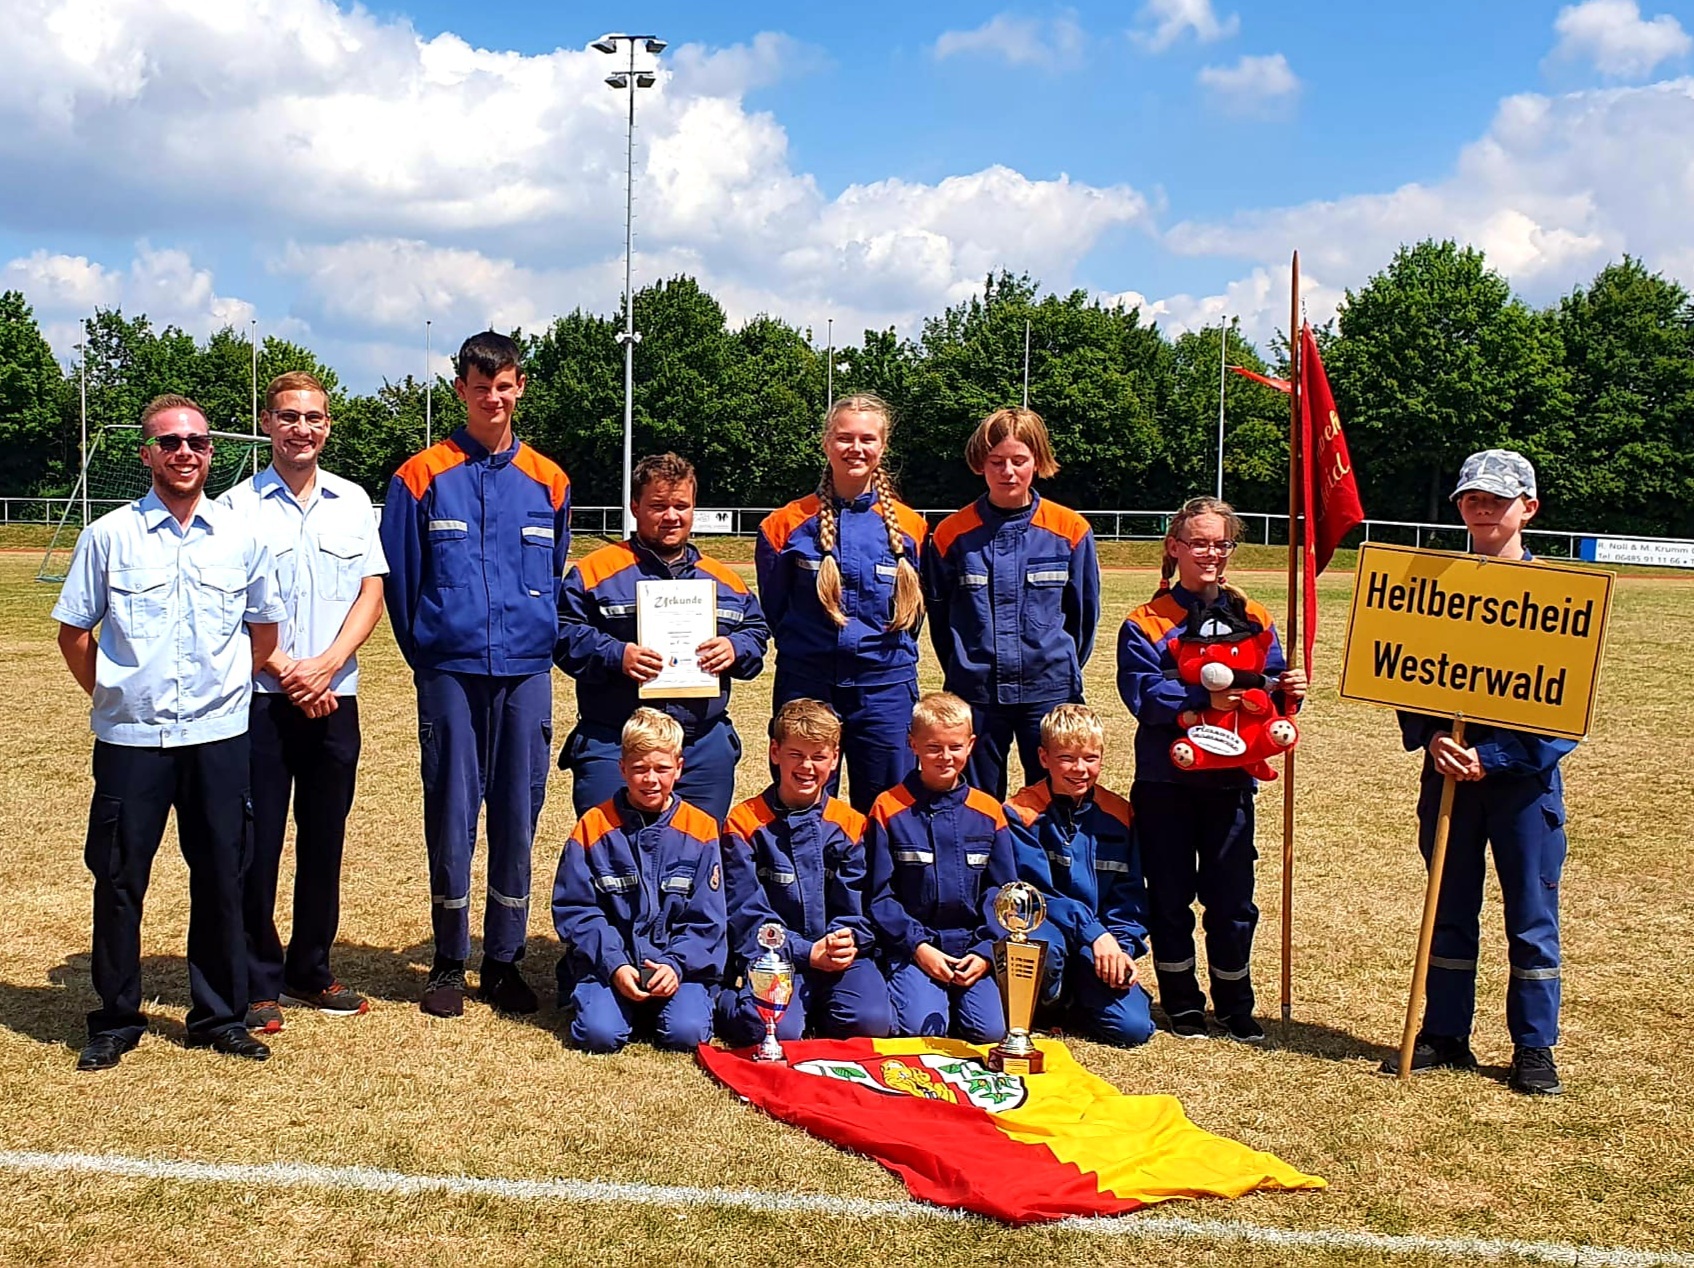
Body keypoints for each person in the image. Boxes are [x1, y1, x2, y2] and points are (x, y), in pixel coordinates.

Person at [53, 395, 287, 1069]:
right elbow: (74, 633)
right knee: (119, 879)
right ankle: (116, 1019)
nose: (185, 452)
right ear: (147, 454)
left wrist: (226, 689)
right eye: (170, 442)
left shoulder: (241, 537)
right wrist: (114, 695)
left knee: (223, 876)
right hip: (132, 740)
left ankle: (219, 1016)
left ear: (211, 453)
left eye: (197, 442)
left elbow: (264, 631)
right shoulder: (108, 536)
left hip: (219, 737)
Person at [380, 332, 571, 1018]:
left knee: (518, 814)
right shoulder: (420, 476)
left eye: (505, 386)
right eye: (481, 386)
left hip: (524, 673)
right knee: (451, 812)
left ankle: (503, 960)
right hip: (450, 673)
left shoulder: (550, 480)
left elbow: (554, 573)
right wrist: (431, 653)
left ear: (520, 388)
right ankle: (447, 957)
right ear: (460, 389)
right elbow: (402, 581)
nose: (494, 398)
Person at [1384, 450, 1573, 1096]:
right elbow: (1407, 672)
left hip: (1522, 789)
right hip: (1446, 780)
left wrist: (1491, 758)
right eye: (1472, 498)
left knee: (1531, 919)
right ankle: (1445, 1033)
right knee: (1449, 910)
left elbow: (1563, 709)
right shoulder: (1434, 589)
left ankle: (1534, 1046)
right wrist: (1433, 737)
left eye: (1497, 499)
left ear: (1529, 508)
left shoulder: (1559, 598)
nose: (1483, 509)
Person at [220, 372, 387, 1033]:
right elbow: (228, 606)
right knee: (256, 845)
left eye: (314, 418)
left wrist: (326, 666)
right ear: (267, 423)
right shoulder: (234, 508)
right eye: (289, 417)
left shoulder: (353, 501)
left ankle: (310, 968)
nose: (302, 429)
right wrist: (288, 668)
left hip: (334, 695)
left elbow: (370, 593)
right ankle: (257, 979)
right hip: (261, 699)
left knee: (325, 839)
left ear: (327, 426)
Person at [1116, 496, 1306, 1043]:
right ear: (1174, 547)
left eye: (1221, 544)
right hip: (1166, 779)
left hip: (1232, 779)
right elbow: (1145, 694)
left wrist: (1286, 691)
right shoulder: (1146, 621)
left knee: (1232, 899)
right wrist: (1206, 697)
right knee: (1170, 895)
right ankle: (1181, 1001)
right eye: (1198, 543)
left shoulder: (1253, 615)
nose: (1211, 554)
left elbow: (1268, 687)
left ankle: (1235, 1002)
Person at [555, 452, 768, 824]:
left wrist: (735, 648)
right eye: (658, 506)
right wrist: (615, 654)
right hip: (615, 739)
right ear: (635, 507)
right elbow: (562, 633)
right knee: (608, 847)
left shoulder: (724, 580)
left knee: (699, 849)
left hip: (701, 745)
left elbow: (756, 632)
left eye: (681, 506)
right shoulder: (594, 572)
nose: (671, 516)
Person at [756, 394, 928, 811]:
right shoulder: (784, 525)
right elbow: (776, 610)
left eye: (867, 439)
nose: (856, 448)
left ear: (883, 445)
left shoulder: (912, 527)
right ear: (826, 442)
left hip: (885, 690)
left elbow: (914, 616)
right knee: (802, 803)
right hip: (807, 685)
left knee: (889, 809)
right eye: (844, 437)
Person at [923, 408, 1099, 799]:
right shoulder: (952, 534)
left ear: (1038, 461)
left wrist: (1056, 666)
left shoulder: (1070, 530)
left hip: (1050, 689)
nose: (1008, 472)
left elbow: (1083, 617)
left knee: (1057, 796)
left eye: (1019, 461)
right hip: (976, 692)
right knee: (976, 802)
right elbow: (940, 620)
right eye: (996, 461)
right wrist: (965, 667)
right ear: (980, 464)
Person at [715, 699, 893, 1046]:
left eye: (818, 756)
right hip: (774, 954)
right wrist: (803, 951)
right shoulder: (744, 823)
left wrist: (845, 940)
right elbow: (745, 914)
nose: (807, 767)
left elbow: (862, 904)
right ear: (775, 752)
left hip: (838, 956)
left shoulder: (851, 824)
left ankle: (816, 1005)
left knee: (871, 1021)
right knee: (776, 1030)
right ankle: (726, 1000)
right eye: (795, 755)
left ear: (835, 758)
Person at [551, 708, 726, 1054]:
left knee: (686, 1034)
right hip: (610, 964)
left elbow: (707, 919)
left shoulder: (701, 829)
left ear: (679, 768)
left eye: (662, 769)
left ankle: (670, 1007)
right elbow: (576, 909)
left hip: (680, 969)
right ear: (622, 769)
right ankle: (608, 1003)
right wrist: (614, 965)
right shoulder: (593, 827)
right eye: (639, 769)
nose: (651, 779)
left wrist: (675, 965)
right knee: (599, 1035)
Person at [865, 691, 1017, 1041]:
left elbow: (1002, 893)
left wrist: (985, 953)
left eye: (955, 747)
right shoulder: (888, 808)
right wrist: (917, 947)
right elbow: (879, 895)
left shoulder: (988, 811)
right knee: (920, 1028)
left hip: (971, 949)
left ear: (971, 745)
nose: (945, 757)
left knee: (990, 1032)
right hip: (914, 948)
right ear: (912, 744)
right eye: (933, 747)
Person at [1005, 704, 1154, 1047]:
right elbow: (1033, 894)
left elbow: (1130, 897)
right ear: (1043, 758)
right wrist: (1093, 933)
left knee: (1134, 1029)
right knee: (1045, 951)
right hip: (1048, 930)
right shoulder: (1020, 813)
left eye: (1090, 758)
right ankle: (1049, 1003)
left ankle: (1080, 995)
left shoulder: (1120, 814)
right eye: (1067, 758)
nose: (1080, 769)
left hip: (1099, 942)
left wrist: (1120, 947)